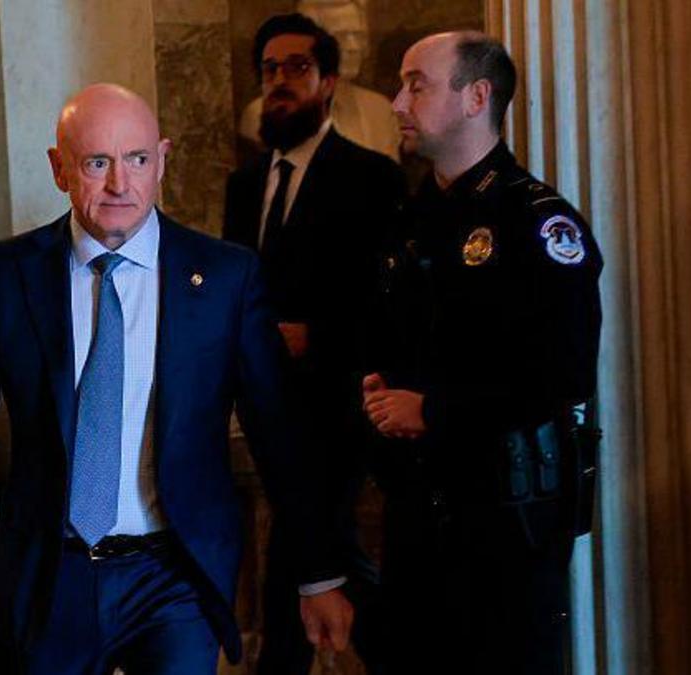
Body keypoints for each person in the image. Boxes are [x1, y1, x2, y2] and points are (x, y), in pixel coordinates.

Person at [0, 83, 353, 675]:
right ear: (59, 168)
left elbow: (279, 435)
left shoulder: (225, 277)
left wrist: (318, 573)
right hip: (52, 571)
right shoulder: (7, 274)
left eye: (138, 160)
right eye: (97, 163)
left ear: (163, 159)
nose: (121, 184)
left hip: (175, 574)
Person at [363, 32, 602, 674]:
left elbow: (564, 372)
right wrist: (383, 393)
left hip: (508, 523)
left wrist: (434, 411)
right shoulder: (411, 220)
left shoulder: (536, 222)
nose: (397, 102)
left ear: (476, 97)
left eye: (417, 84)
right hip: (420, 515)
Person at [224, 13, 405, 675]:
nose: (280, 82)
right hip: (268, 405)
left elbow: (389, 303)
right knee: (314, 553)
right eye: (270, 70)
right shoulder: (244, 185)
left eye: (297, 68)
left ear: (328, 82)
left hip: (338, 405)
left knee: (310, 554)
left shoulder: (372, 178)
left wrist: (314, 334)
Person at [240, 0, 402, 162]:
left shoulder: (379, 110)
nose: (353, 46)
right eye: (341, 36)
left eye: (358, 35)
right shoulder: (263, 114)